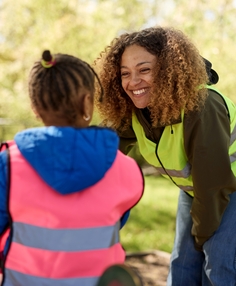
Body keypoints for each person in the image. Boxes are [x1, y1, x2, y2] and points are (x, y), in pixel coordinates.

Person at [94, 26, 236, 286]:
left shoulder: (202, 107)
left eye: (144, 70)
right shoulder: (138, 110)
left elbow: (213, 187)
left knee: (217, 259)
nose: (133, 82)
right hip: (196, 189)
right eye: (125, 74)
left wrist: (201, 236)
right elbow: (101, 147)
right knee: (182, 262)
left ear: (167, 70)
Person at [0, 50, 144, 286]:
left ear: (36, 108)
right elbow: (112, 224)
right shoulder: (127, 169)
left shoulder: (9, 164)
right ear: (87, 102)